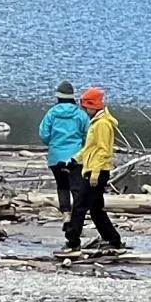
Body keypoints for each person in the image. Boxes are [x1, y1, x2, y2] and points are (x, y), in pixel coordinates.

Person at [63, 87, 124, 255]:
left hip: (97, 173)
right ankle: (113, 240)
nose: (85, 110)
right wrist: (75, 159)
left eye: (86, 107)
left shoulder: (103, 124)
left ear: (94, 106)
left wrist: (95, 173)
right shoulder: (96, 122)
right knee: (96, 210)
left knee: (80, 207)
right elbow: (90, 148)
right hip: (92, 171)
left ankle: (73, 242)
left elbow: (104, 151)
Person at [39, 81, 90, 215]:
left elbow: (44, 134)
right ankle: (77, 217)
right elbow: (88, 135)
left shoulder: (51, 113)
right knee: (77, 188)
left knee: (62, 186)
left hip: (56, 157)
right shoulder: (81, 115)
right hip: (75, 156)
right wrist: (83, 148)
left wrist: (52, 144)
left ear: (58, 97)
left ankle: (65, 214)